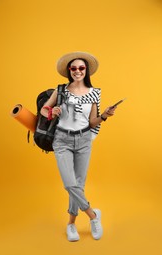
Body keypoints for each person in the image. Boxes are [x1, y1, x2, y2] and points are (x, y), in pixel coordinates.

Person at [40, 51, 116, 241]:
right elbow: (44, 109)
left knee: (79, 185)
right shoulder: (61, 90)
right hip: (62, 140)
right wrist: (52, 111)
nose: (77, 71)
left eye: (81, 68)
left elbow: (92, 122)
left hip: (83, 140)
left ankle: (71, 224)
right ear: (69, 71)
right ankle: (92, 215)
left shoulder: (94, 93)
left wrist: (104, 115)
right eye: (73, 68)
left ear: (86, 70)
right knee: (70, 183)